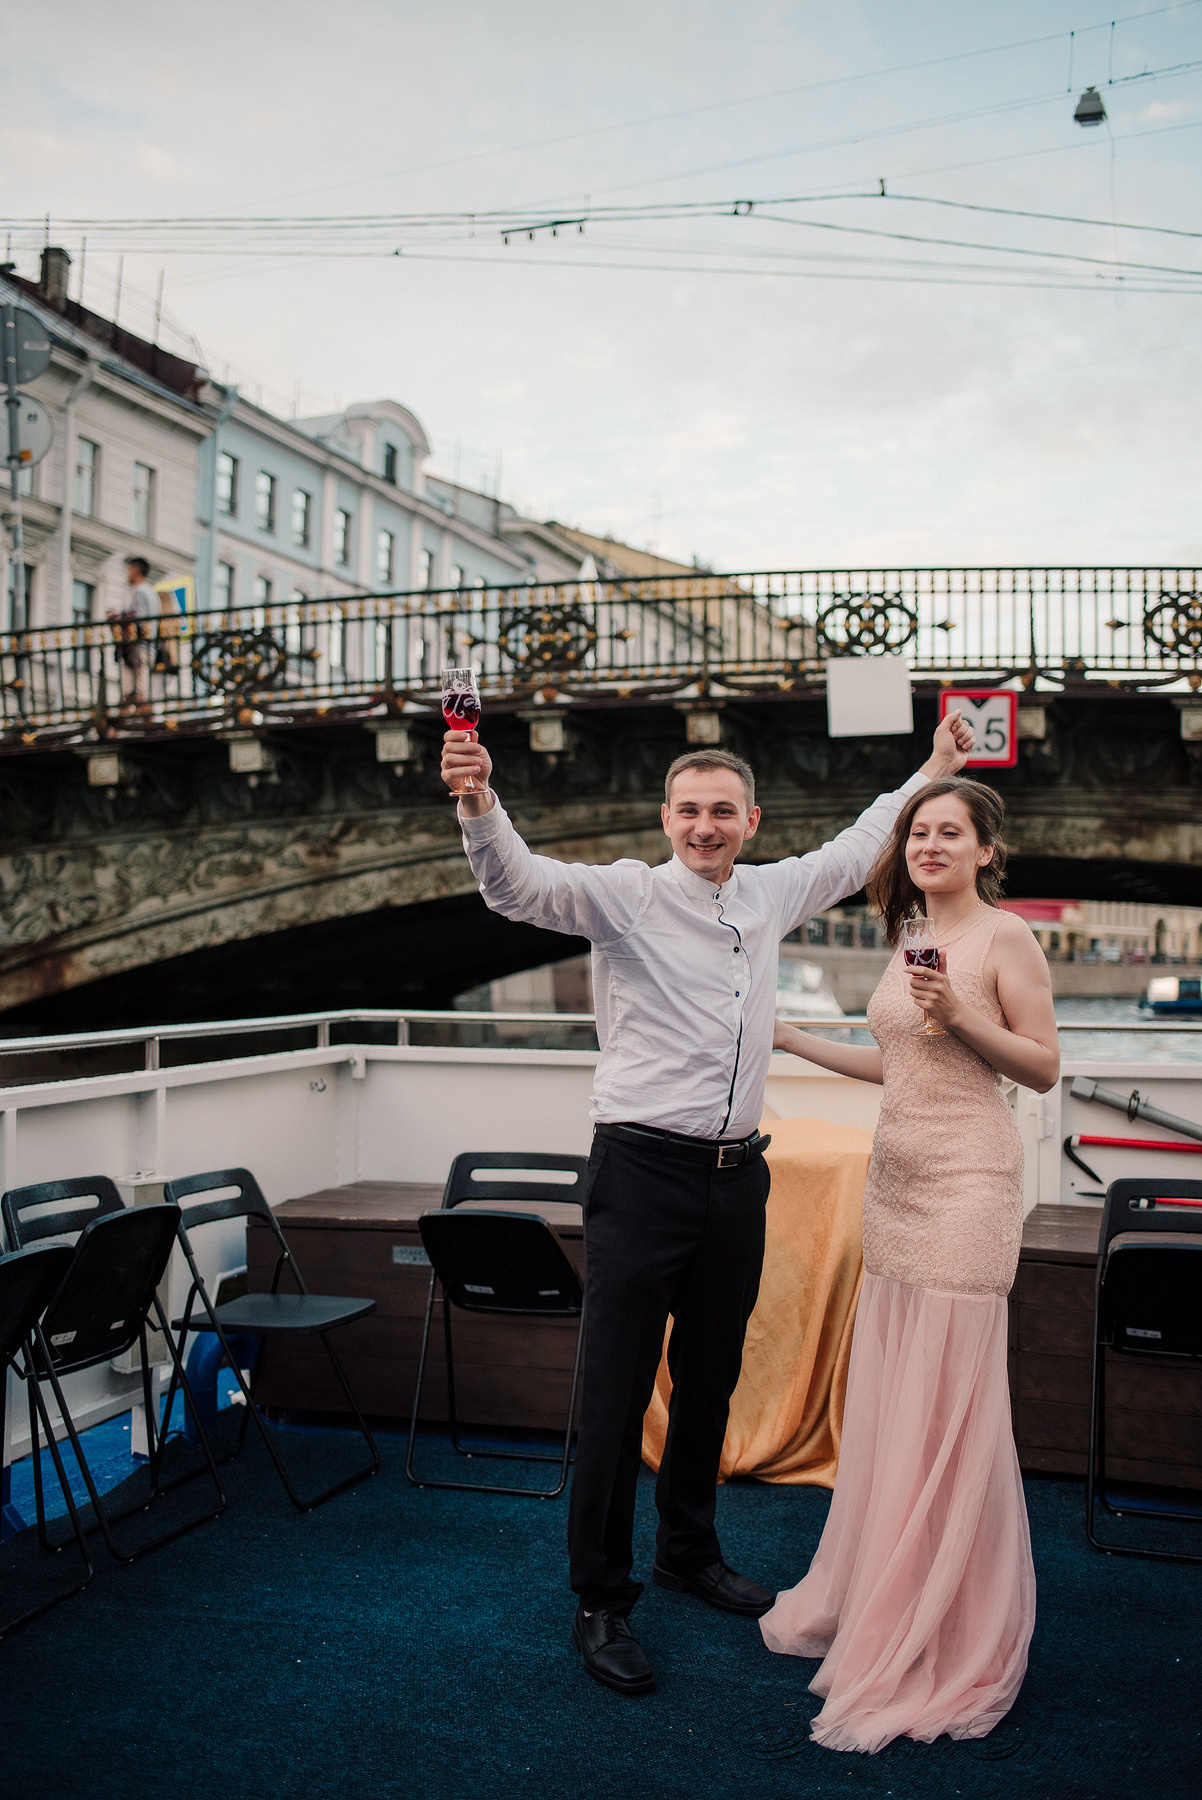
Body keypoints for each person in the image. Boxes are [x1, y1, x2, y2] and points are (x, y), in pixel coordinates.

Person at [440, 710, 976, 1698]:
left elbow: (864, 842)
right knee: (613, 1393)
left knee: (710, 1376)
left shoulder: (770, 894)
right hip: (638, 1172)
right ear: (665, 817)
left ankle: (687, 1551)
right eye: (687, 810)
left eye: (720, 810)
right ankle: (600, 1597)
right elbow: (516, 883)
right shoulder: (623, 898)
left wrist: (937, 764)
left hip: (736, 1175)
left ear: (749, 819)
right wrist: (478, 801)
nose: (703, 826)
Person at [760, 777, 1059, 1753]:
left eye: (947, 832)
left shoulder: (1003, 938)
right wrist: (791, 1038)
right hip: (894, 1186)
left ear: (983, 850)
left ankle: (947, 1626)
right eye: (917, 832)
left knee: (949, 1406)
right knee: (899, 1401)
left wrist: (956, 1014)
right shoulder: (907, 937)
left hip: (968, 1187)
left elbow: (1040, 1066)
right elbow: (900, 1062)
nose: (928, 844)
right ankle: (884, 1594)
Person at [107, 556, 157, 707]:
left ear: (136, 570)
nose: (127, 574)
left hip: (138, 647)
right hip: (149, 646)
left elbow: (138, 619)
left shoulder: (139, 591)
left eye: (129, 570)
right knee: (140, 688)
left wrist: (118, 617)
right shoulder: (152, 591)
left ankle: (127, 721)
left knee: (135, 691)